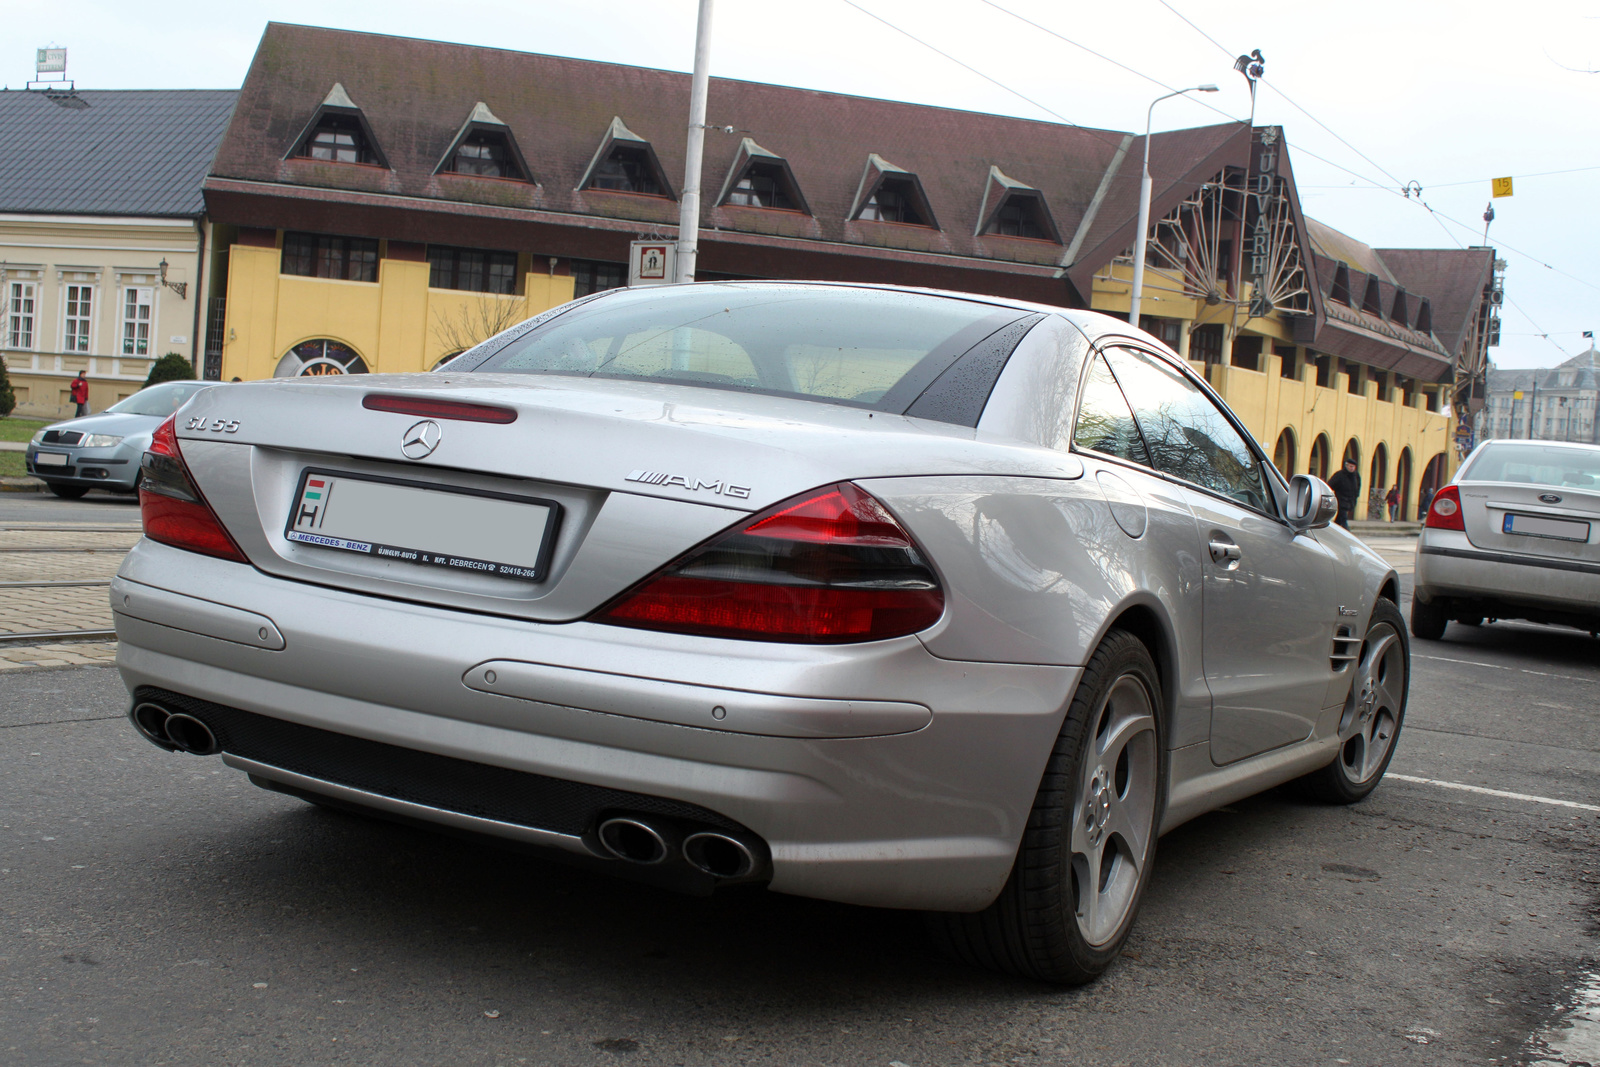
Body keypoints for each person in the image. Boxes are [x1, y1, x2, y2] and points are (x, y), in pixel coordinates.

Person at [1327, 458, 1361, 529]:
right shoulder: (1340, 475)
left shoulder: (1356, 476)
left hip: (1350, 500)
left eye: (1353, 467)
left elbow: (1358, 486)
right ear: (1346, 466)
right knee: (1344, 518)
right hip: (1341, 500)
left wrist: (1356, 495)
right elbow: (1330, 485)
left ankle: (1334, 529)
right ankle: (1347, 533)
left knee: (1339, 519)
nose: (1352, 468)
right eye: (1350, 466)